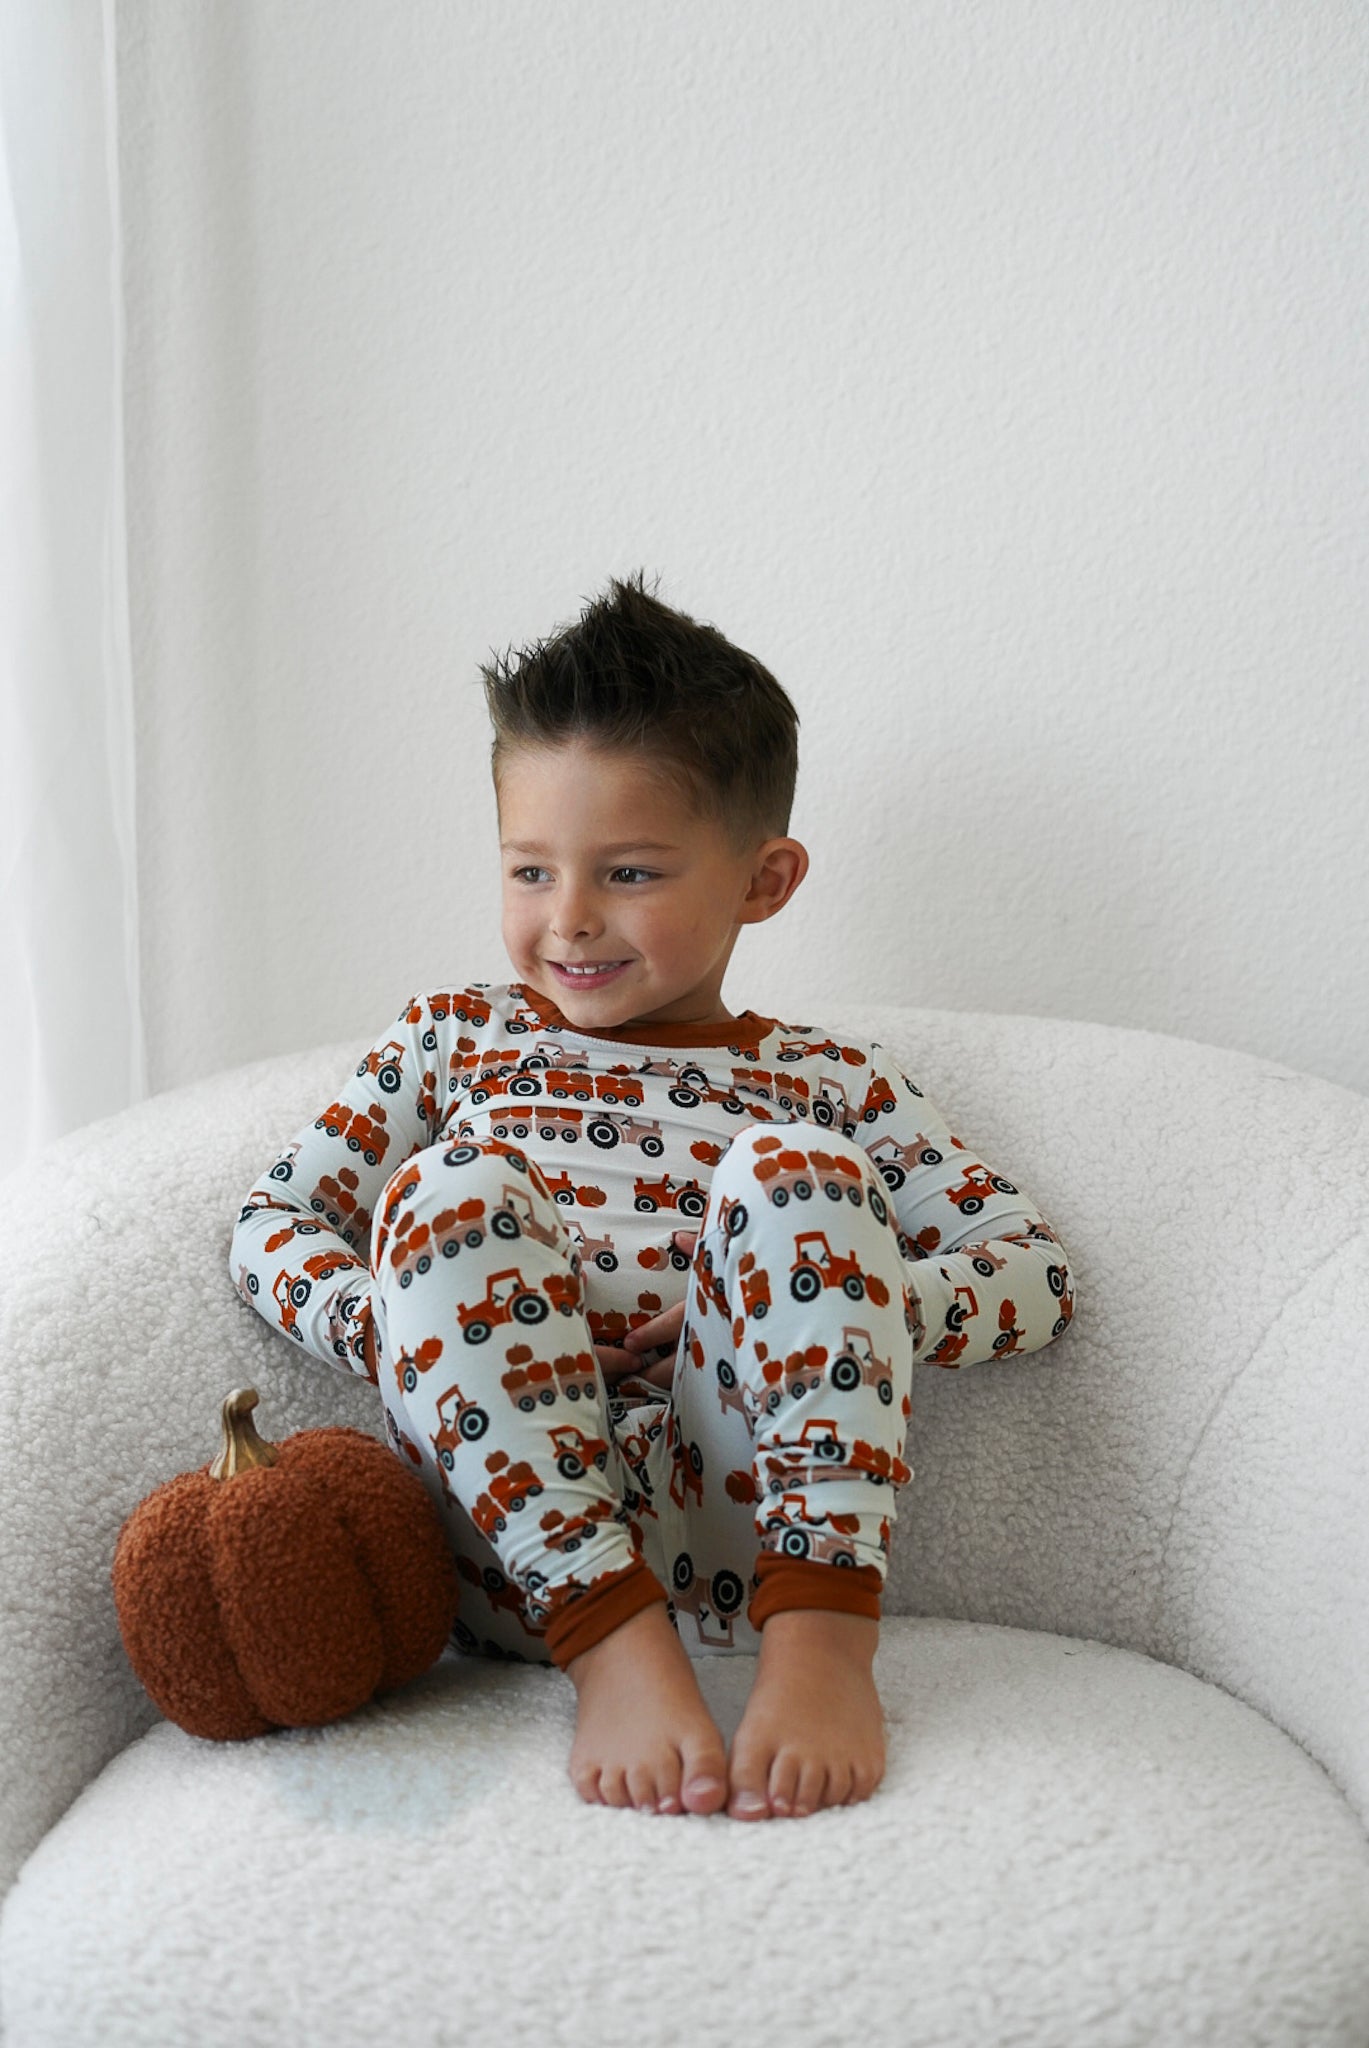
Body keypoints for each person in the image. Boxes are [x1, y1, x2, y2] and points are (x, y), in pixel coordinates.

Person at [229, 569, 1077, 1824]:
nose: (568, 919)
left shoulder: (832, 1079)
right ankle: (612, 1647)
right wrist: (405, 1325)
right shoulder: (453, 1037)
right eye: (530, 870)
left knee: (799, 1176)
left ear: (763, 879)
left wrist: (814, 1302)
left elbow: (1033, 1272)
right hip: (509, 1549)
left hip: (753, 1530)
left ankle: (824, 1644)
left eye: (627, 872)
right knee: (452, 1184)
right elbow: (272, 1226)